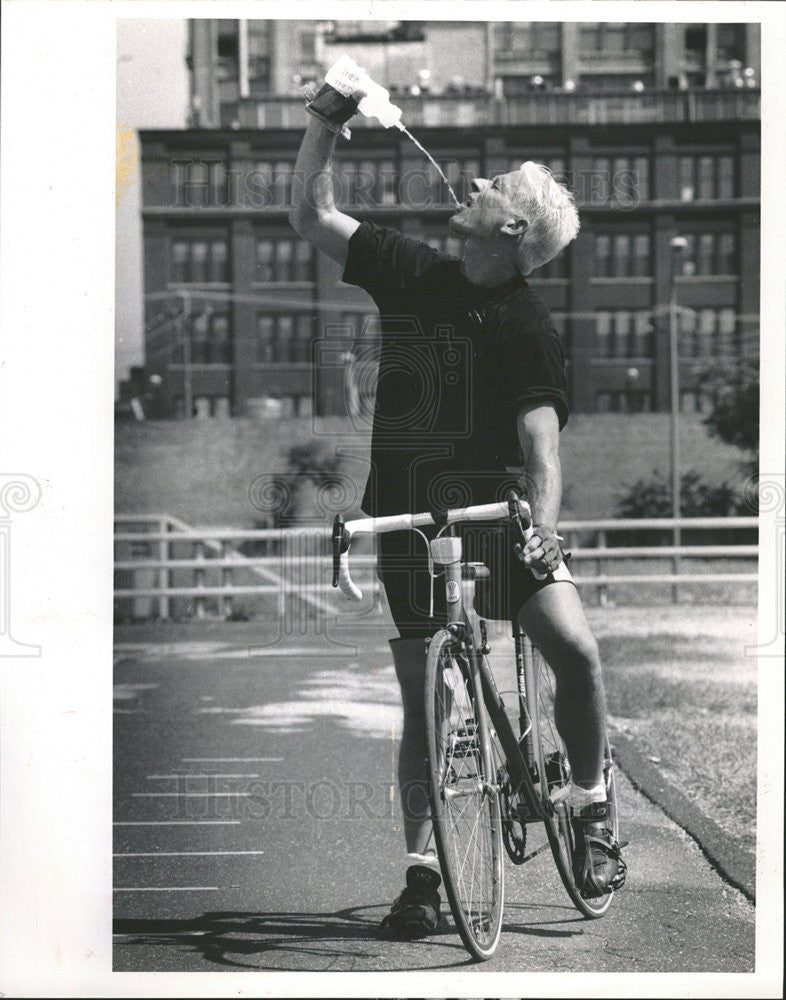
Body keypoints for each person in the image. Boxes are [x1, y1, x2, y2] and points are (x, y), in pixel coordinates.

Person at [290, 73, 626, 939]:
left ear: (511, 228)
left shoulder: (525, 325)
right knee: (426, 702)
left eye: (494, 187)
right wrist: (327, 121)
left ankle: (589, 805)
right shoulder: (415, 271)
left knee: (576, 652)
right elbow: (311, 216)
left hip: (495, 520)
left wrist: (543, 537)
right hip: (406, 517)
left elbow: (543, 450)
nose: (472, 184)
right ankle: (424, 871)